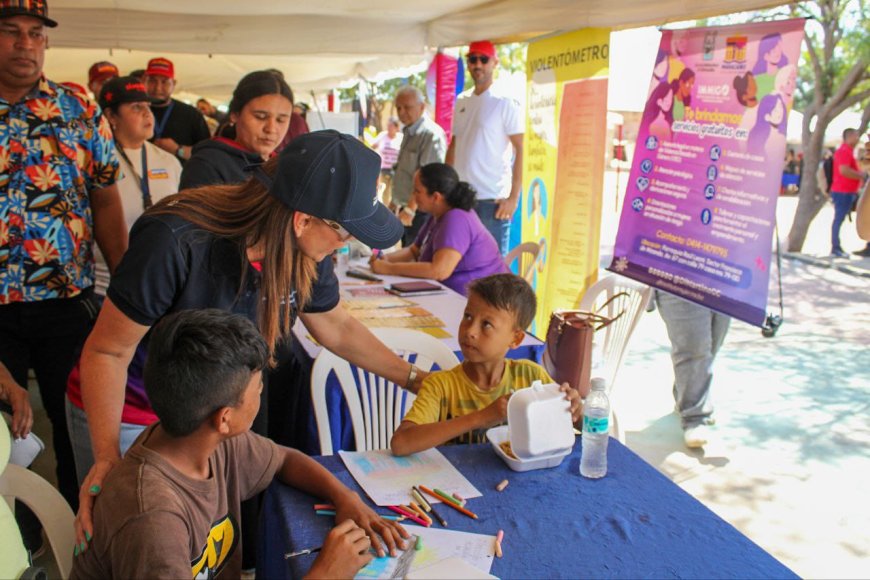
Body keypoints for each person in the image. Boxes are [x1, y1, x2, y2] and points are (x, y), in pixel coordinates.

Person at [73, 130, 425, 549]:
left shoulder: (303, 253)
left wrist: (416, 379)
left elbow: (336, 325)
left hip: (212, 418)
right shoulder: (176, 242)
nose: (342, 247)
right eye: (344, 234)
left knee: (207, 548)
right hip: (130, 413)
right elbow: (108, 350)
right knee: (141, 542)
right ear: (303, 219)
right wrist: (107, 456)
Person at [70, 309, 408, 578]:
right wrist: (325, 575)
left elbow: (283, 460)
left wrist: (344, 497)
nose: (261, 394)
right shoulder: (153, 520)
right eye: (257, 390)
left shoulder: (208, 441)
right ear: (225, 417)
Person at [0, 0, 127, 517]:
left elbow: (106, 201)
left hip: (67, 302)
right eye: (11, 31)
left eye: (35, 33)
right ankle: (17, 542)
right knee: (5, 437)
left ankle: (85, 532)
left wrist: (127, 288)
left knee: (82, 426)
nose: (26, 44)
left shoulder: (77, 107)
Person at [391, 274, 581, 455]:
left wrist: (576, 409)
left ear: (516, 339)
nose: (470, 331)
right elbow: (401, 444)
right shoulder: (441, 385)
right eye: (468, 317)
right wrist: (481, 417)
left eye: (486, 324)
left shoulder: (530, 377)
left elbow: (582, 427)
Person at [90, 76, 182, 294]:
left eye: (148, 106)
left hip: (159, 282)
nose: (147, 113)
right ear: (111, 115)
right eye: (136, 107)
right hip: (103, 285)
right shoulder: (97, 159)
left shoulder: (168, 161)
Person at [369, 163, 508, 295]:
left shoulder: (457, 218)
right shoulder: (438, 214)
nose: (413, 196)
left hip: (478, 300)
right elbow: (414, 251)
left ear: (436, 197)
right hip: (451, 293)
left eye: (417, 191)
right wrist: (385, 259)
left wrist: (389, 269)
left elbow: (439, 271)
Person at [447, 40, 523, 256]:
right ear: (467, 63)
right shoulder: (461, 100)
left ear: (495, 62)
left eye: (483, 59)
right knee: (459, 264)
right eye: (473, 59)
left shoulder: (505, 101)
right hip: (460, 198)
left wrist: (513, 198)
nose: (477, 64)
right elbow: (454, 144)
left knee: (491, 273)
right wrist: (446, 189)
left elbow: (521, 149)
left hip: (491, 201)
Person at [181, 70, 292, 189]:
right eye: (260, 117)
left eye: (281, 120)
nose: (271, 129)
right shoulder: (206, 166)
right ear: (235, 114)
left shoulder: (284, 167)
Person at [655, 291, 730, 448]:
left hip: (723, 278)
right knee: (694, 348)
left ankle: (685, 396)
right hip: (678, 278)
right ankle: (695, 418)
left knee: (712, 342)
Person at [392, 85, 447, 246]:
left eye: (407, 107)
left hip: (420, 210)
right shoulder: (408, 132)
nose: (402, 112)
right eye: (398, 108)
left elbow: (426, 178)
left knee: (415, 257)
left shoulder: (431, 134)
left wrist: (410, 209)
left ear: (422, 107)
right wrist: (395, 202)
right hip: (405, 207)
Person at [144, 57, 210, 163]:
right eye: (152, 81)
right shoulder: (135, 111)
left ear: (173, 83)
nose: (157, 88)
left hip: (182, 177)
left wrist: (178, 150)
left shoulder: (191, 114)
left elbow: (207, 153)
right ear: (145, 81)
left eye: (164, 82)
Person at [830, 128, 869, 258]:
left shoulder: (848, 151)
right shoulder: (844, 151)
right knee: (839, 220)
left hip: (846, 191)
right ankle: (835, 247)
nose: (858, 138)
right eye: (856, 135)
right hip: (843, 191)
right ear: (849, 136)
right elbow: (844, 171)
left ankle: (836, 247)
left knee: (839, 220)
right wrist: (863, 175)